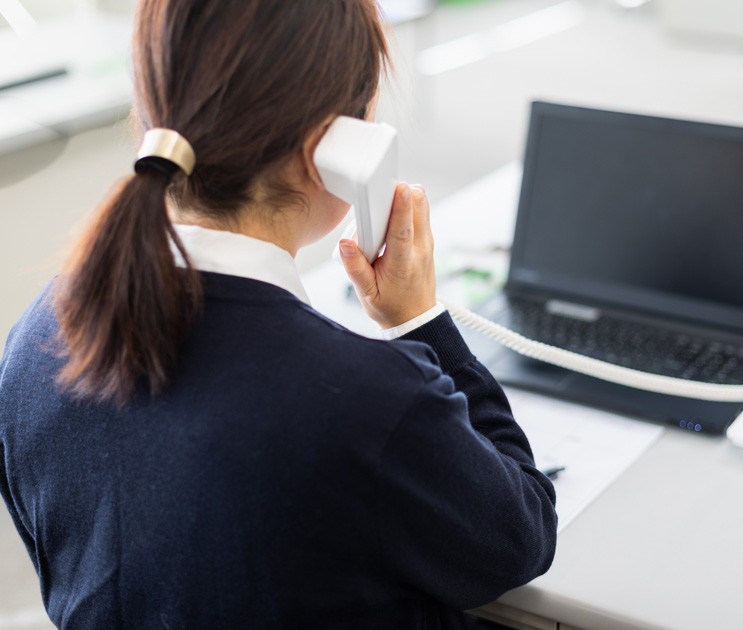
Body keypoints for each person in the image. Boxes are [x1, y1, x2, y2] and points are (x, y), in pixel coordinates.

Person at [0, 1, 557, 628]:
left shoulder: (32, 343)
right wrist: (420, 322)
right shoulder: (364, 396)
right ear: (334, 147)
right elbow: (520, 538)